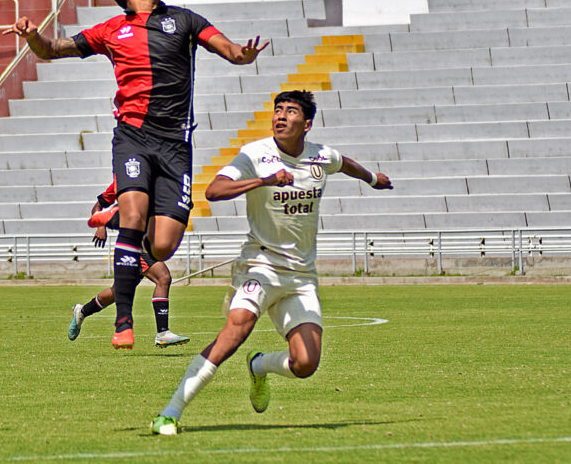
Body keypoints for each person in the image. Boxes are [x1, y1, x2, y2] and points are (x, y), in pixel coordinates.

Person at [5, 0, 268, 349]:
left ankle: (124, 219)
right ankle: (123, 322)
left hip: (176, 145)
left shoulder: (184, 20)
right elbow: (52, 49)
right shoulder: (112, 30)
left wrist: (239, 56)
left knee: (162, 246)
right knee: (132, 218)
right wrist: (32, 37)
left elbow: (225, 47)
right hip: (133, 136)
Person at [150, 90, 392, 436]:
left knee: (306, 364)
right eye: (277, 110)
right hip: (259, 265)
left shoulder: (321, 156)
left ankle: (259, 364)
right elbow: (214, 191)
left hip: (301, 277)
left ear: (306, 124)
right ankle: (170, 412)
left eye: (290, 111)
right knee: (237, 329)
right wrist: (264, 180)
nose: (280, 116)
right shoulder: (255, 154)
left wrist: (372, 179)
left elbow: (345, 163)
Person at [68, 179, 189, 347]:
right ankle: (163, 332)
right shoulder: (122, 181)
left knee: (117, 292)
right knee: (163, 278)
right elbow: (97, 207)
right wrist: (101, 227)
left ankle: (82, 311)